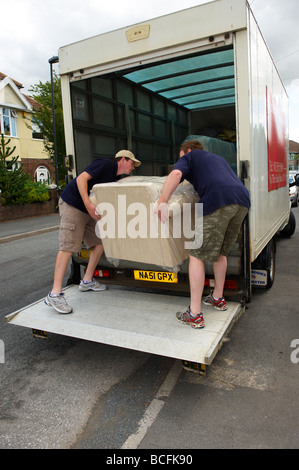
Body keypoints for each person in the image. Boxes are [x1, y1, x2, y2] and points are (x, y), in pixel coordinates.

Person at [156, 140, 250, 329]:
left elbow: (175, 174)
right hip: (242, 201)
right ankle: (217, 298)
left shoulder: (190, 156)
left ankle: (195, 314)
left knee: (196, 255)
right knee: (221, 253)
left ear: (188, 151)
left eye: (180, 156)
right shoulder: (216, 159)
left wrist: (162, 201)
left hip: (218, 199)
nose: (179, 160)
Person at [45, 150, 141, 314]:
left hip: (87, 210)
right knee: (68, 247)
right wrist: (88, 204)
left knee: (99, 243)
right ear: (123, 159)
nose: (133, 167)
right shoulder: (105, 164)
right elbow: (82, 178)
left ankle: (87, 280)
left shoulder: (114, 178)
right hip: (73, 205)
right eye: (132, 163)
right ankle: (54, 294)